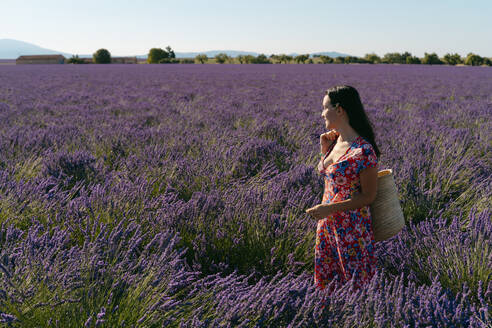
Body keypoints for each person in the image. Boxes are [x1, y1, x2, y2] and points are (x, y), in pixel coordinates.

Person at [305, 85, 381, 297]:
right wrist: (324, 149)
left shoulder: (363, 150)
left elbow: (368, 196)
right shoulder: (334, 142)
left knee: (356, 291)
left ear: (340, 110)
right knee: (327, 290)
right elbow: (329, 176)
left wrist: (329, 209)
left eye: (325, 107)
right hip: (328, 228)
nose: (321, 113)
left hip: (352, 233)